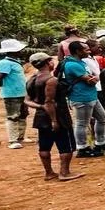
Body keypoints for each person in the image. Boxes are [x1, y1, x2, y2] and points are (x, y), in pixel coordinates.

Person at [26, 52, 80, 181]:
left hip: (41, 117)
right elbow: (49, 101)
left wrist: (40, 107)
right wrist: (54, 120)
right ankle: (64, 172)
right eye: (51, 61)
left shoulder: (32, 80)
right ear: (47, 62)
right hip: (58, 116)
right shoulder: (51, 80)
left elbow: (27, 100)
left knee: (44, 145)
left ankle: (49, 172)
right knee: (65, 145)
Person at [59, 41, 103, 157]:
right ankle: (82, 147)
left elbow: (91, 79)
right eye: (86, 49)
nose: (89, 51)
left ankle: (100, 143)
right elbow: (91, 80)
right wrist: (96, 78)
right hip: (81, 97)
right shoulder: (72, 65)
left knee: (102, 119)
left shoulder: (80, 62)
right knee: (82, 123)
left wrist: (94, 78)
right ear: (78, 51)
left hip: (90, 95)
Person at [0, 38, 28, 149]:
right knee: (13, 116)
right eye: (19, 50)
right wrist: (7, 87)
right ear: (13, 51)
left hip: (21, 93)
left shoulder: (15, 62)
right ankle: (13, 140)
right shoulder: (4, 63)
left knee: (23, 114)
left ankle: (21, 137)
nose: (21, 51)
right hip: (11, 94)